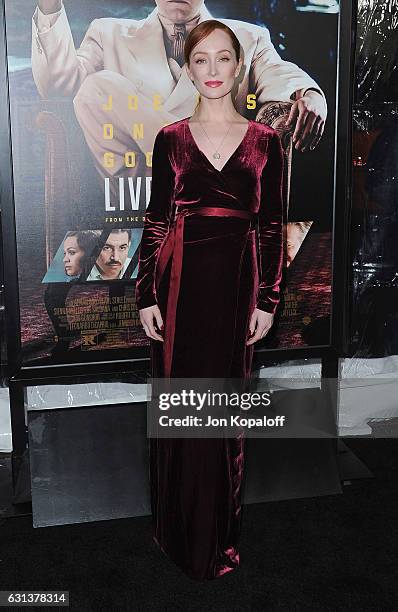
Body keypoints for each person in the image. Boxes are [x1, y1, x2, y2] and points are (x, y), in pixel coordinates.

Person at [135, 20, 284, 580]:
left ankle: (217, 536)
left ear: (239, 66)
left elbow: (271, 227)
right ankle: (175, 529)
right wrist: (147, 291)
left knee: (223, 416)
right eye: (202, 60)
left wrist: (268, 300)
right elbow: (155, 222)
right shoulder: (169, 139)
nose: (214, 71)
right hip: (179, 285)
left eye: (224, 59)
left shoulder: (266, 142)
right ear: (188, 68)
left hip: (238, 286)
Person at [32, 1, 327, 184]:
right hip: (137, 193)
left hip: (217, 184)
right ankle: (194, 172)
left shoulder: (248, 37)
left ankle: (200, 178)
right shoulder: (106, 32)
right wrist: (49, 6)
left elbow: (281, 75)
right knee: (96, 87)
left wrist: (311, 95)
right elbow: (58, 85)